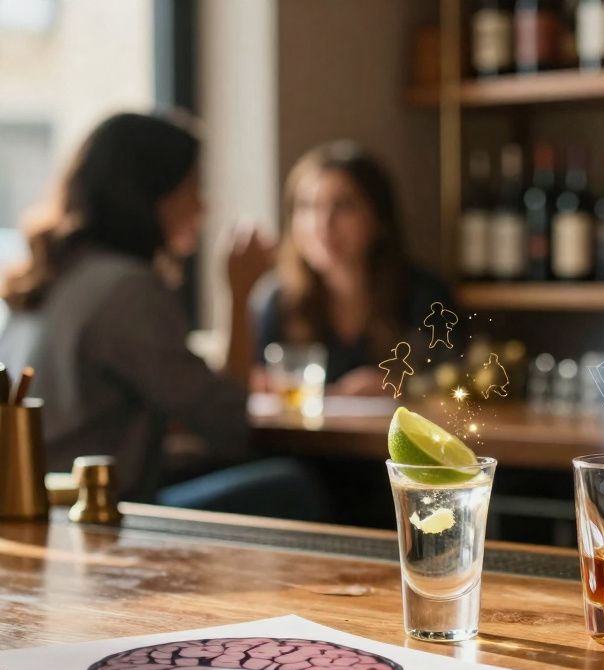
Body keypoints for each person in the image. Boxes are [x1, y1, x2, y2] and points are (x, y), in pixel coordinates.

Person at [0, 111, 329, 521]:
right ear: (151, 195)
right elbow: (228, 422)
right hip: (93, 514)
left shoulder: (55, 275)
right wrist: (240, 294)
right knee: (292, 485)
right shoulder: (128, 290)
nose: (203, 206)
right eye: (192, 188)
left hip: (39, 502)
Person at [248, 141, 453, 395]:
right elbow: (249, 383)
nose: (322, 224)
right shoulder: (277, 301)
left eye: (343, 206)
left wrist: (402, 387)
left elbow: (460, 383)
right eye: (307, 206)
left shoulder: (425, 297)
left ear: (379, 217)